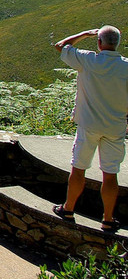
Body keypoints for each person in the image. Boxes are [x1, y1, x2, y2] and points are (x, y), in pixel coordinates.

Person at [52, 25, 128, 231]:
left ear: (99, 43)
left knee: (79, 168)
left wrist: (85, 34)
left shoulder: (88, 60)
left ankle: (68, 209)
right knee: (110, 174)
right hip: (116, 127)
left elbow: (61, 46)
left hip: (89, 125)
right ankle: (108, 218)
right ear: (117, 44)